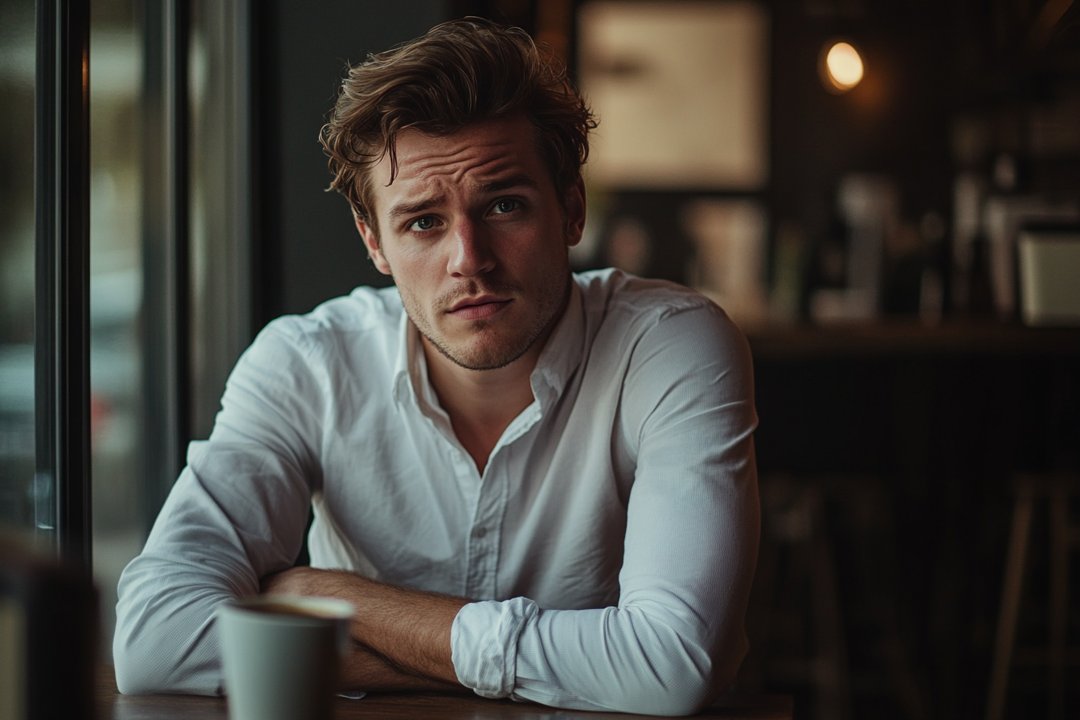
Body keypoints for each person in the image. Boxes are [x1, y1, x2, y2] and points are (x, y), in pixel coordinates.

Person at [113, 17, 760, 716]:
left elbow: (672, 664)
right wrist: (513, 660)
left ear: (571, 210)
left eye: (505, 205)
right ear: (375, 243)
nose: (469, 260)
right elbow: (152, 641)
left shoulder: (667, 346)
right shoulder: (306, 365)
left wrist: (332, 599)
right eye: (423, 222)